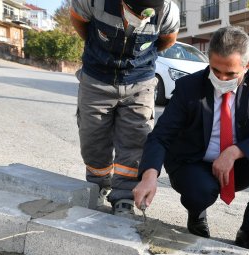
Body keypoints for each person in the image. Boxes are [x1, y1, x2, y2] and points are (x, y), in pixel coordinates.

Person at [132, 26, 249, 253]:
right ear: (209, 61)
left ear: (248, 66)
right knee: (200, 192)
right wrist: (149, 175)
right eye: (215, 70)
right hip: (193, 163)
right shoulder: (189, 88)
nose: (221, 79)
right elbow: (160, 136)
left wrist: (234, 152)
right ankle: (197, 215)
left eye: (230, 74)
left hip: (233, 164)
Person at [70, 0, 179, 217]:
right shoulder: (93, 1)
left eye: (148, 14)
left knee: (136, 140)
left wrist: (138, 60)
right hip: (97, 78)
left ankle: (124, 198)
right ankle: (97, 186)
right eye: (136, 12)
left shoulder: (168, 10)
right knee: (93, 139)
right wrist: (100, 52)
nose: (142, 18)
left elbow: (167, 40)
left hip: (140, 80)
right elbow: (79, 22)